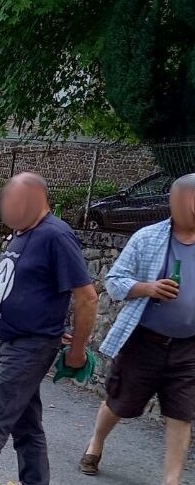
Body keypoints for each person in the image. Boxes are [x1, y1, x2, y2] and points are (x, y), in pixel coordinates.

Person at [0, 173, 99, 485]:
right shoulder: (23, 232)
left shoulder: (56, 236)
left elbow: (86, 297)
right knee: (26, 426)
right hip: (16, 344)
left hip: (29, 348)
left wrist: (76, 350)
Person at [78, 174, 195, 485]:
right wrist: (147, 287)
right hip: (144, 340)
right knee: (120, 402)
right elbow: (114, 282)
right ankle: (96, 444)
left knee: (182, 414)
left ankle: (171, 480)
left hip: (188, 347)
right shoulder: (148, 238)